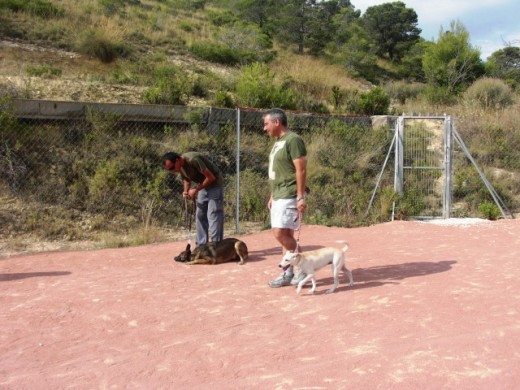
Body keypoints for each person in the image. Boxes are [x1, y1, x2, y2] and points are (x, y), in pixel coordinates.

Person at [263, 108, 308, 288]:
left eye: (266, 124)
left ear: (276, 122)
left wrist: (300, 196)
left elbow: (301, 169)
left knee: (279, 233)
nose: (264, 128)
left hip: (289, 193)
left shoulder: (293, 140)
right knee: (286, 234)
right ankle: (288, 273)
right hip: (279, 193)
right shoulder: (278, 142)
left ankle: (303, 267)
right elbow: (279, 171)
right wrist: (273, 195)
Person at [163, 151, 224, 247]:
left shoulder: (193, 160)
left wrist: (196, 190)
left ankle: (217, 246)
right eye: (169, 170)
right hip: (203, 184)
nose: (172, 171)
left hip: (214, 183)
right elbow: (186, 179)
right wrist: (186, 191)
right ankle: (201, 246)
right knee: (200, 214)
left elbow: (211, 177)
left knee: (213, 214)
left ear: (178, 160)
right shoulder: (180, 167)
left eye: (172, 168)